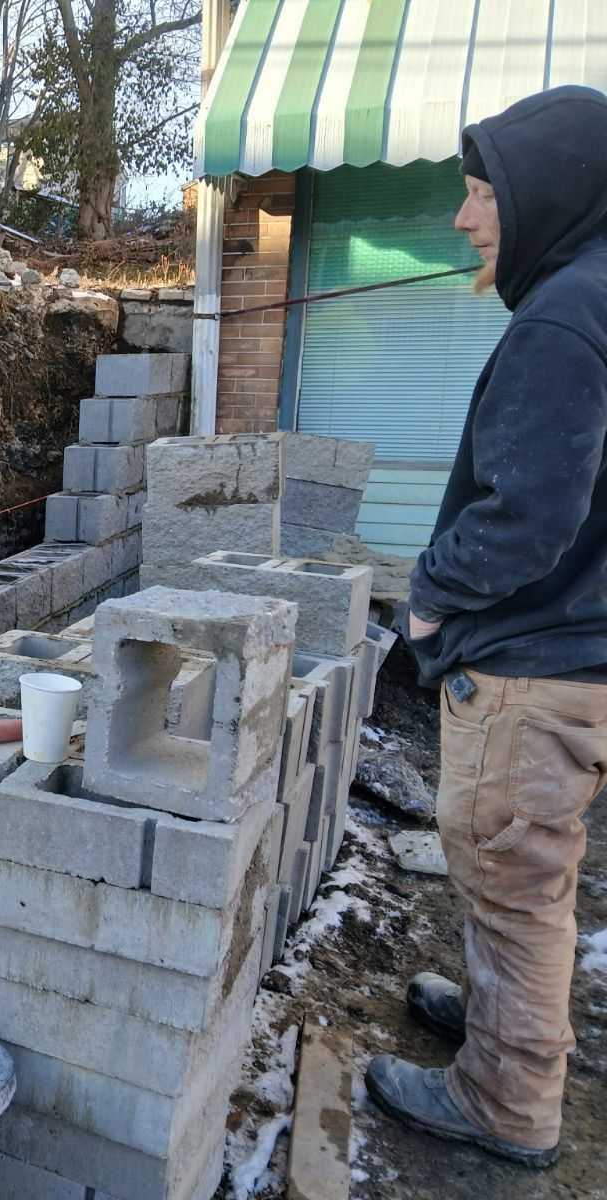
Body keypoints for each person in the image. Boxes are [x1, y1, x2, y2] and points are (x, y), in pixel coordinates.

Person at [366, 85, 607, 1169]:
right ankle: (511, 1024)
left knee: (512, 881)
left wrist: (428, 594)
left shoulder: (563, 316)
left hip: (534, 665)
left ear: (546, 195)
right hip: (580, 655)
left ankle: (504, 1103)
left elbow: (523, 517)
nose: (464, 219)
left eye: (478, 194)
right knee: (527, 872)